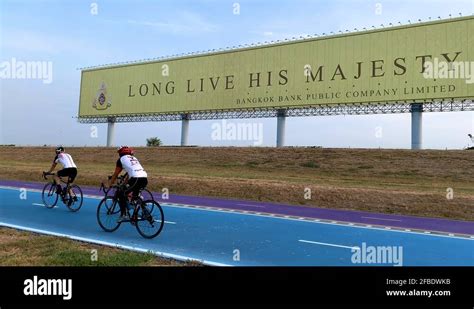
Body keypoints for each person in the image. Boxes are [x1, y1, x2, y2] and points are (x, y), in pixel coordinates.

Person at [107, 146, 148, 222]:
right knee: (135, 197)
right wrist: (124, 184)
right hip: (144, 178)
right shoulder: (133, 158)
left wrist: (110, 184)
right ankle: (145, 212)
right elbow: (130, 174)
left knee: (120, 193)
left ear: (120, 153)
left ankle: (124, 215)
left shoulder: (121, 160)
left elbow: (116, 174)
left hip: (136, 179)